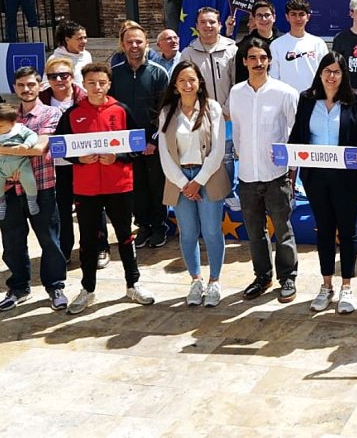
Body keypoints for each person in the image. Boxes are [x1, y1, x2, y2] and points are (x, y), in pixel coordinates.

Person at [58, 62, 155, 314]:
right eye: (91, 83)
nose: (97, 87)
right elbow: (61, 148)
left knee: (125, 235)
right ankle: (87, 289)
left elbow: (137, 145)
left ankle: (133, 284)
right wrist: (79, 159)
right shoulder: (72, 114)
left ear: (109, 84)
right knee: (89, 241)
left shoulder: (121, 110)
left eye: (102, 82)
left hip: (118, 185)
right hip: (86, 188)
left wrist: (119, 157)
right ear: (83, 84)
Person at [289, 52, 357, 315]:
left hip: (347, 179)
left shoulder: (356, 100)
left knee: (347, 231)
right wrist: (287, 158)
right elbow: (297, 134)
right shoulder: (306, 99)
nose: (332, 76)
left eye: (337, 71)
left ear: (343, 74)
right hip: (316, 179)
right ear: (320, 72)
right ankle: (326, 285)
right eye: (327, 71)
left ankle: (346, 286)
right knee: (324, 230)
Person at [0, 68, 68, 312]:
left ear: (40, 86)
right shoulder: (6, 114)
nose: (26, 89)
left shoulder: (51, 113)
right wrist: (7, 156)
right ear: (15, 87)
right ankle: (18, 288)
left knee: (49, 240)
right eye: (21, 85)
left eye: (31, 84)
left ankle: (55, 286)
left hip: (41, 186)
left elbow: (39, 148)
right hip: (9, 189)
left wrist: (4, 150)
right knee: (12, 242)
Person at [228, 37, 299, 302]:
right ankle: (262, 276)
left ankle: (287, 277)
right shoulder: (236, 93)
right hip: (246, 175)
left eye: (263, 58)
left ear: (269, 60)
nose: (258, 63)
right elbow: (237, 132)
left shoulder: (285, 93)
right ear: (244, 61)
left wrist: (292, 170)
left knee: (283, 229)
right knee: (255, 232)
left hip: (276, 175)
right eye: (253, 58)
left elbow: (294, 134)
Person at [157, 62, 229, 308]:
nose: (188, 85)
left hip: (207, 176)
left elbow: (218, 150)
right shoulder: (167, 112)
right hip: (179, 179)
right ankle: (195, 280)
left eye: (192, 80)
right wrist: (182, 183)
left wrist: (198, 181)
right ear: (175, 86)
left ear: (199, 83)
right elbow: (164, 153)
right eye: (182, 81)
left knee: (211, 231)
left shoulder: (213, 108)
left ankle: (215, 281)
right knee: (187, 233)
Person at [39, 55, 104, 267]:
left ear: (71, 76)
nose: (59, 80)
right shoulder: (40, 99)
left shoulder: (85, 97)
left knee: (93, 208)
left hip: (84, 163)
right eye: (53, 76)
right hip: (55, 166)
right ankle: (64, 250)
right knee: (62, 210)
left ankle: (100, 247)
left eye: (63, 75)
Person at [110, 23, 170, 248]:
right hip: (126, 144)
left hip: (153, 143)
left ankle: (159, 226)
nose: (134, 46)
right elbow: (112, 109)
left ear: (147, 44)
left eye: (139, 41)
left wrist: (153, 140)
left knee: (156, 185)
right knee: (136, 187)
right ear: (122, 45)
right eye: (129, 42)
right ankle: (143, 226)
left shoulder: (158, 72)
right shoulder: (114, 74)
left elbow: (164, 110)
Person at [181, 7, 238, 206]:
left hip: (227, 114)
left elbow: (237, 83)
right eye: (203, 22)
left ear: (220, 25)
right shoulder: (188, 52)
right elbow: (185, 83)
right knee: (204, 154)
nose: (208, 26)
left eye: (212, 22)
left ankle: (228, 193)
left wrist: (226, 109)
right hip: (200, 115)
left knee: (227, 155)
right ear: (197, 26)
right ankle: (207, 190)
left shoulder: (232, 49)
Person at [270, 0, 330, 93]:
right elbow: (273, 78)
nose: (298, 18)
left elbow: (326, 73)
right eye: (293, 14)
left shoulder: (318, 43)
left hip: (313, 99)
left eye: (301, 14)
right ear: (287, 17)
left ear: (308, 17)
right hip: (286, 100)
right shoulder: (276, 45)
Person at [231, 0, 282, 85]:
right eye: (259, 16)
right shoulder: (245, 44)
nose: (264, 19)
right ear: (254, 19)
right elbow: (240, 76)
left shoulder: (283, 40)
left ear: (274, 18)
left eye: (267, 15)